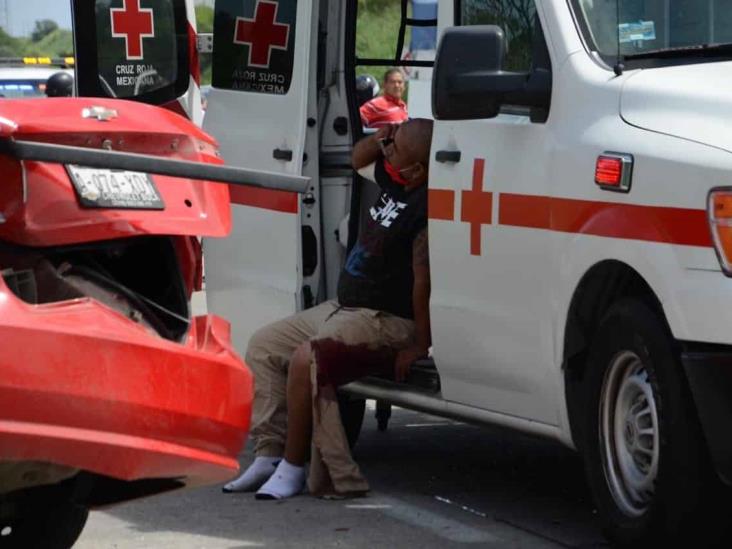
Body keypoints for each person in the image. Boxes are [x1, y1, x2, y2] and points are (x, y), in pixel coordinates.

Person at [223, 118, 433, 499]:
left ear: (417, 169)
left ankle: (294, 466)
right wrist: (382, 137)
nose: (386, 153)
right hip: (346, 306)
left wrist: (420, 342)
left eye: (394, 149)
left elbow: (422, 281)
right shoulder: (396, 179)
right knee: (265, 345)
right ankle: (268, 455)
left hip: (383, 317)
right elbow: (357, 158)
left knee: (308, 358)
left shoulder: (423, 206)